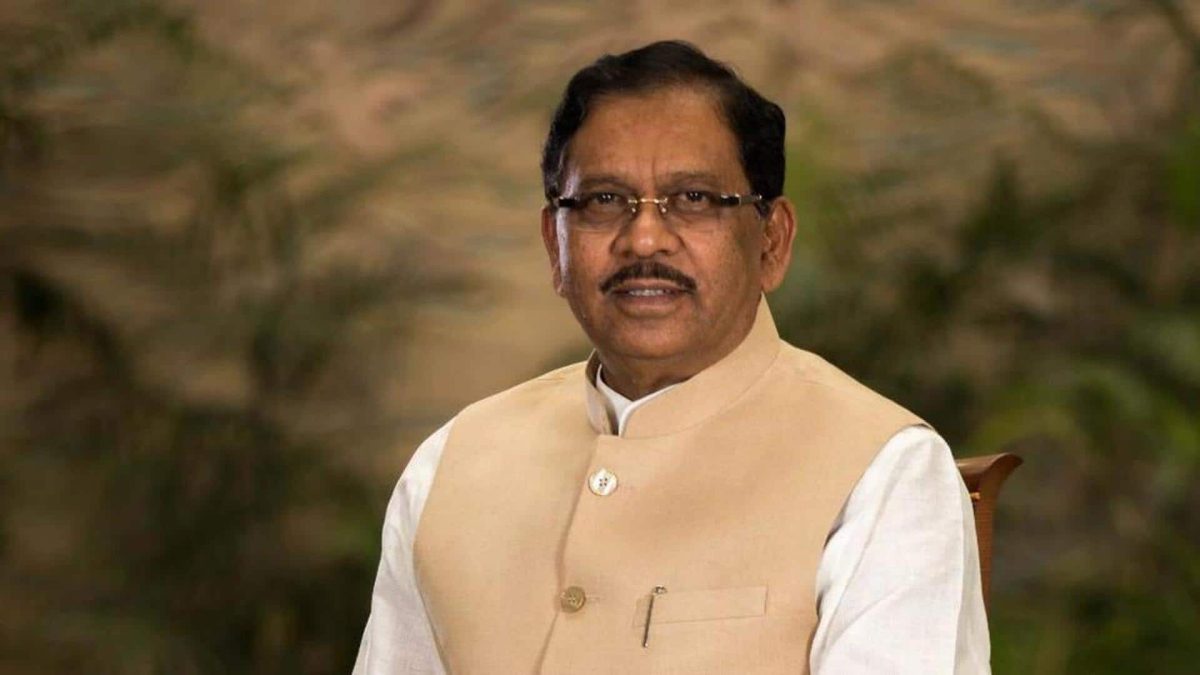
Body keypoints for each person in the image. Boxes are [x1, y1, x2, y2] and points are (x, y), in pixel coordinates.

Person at [353, 40, 989, 674]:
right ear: (555, 244)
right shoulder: (449, 465)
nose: (645, 239)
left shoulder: (883, 471)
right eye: (604, 200)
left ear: (771, 241)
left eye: (694, 199)